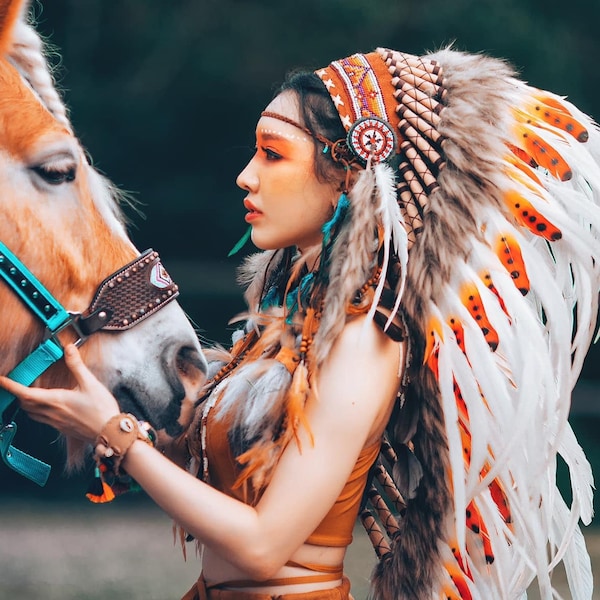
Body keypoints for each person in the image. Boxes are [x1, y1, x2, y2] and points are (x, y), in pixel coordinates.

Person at [1, 46, 600, 600]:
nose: (246, 176)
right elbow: (209, 469)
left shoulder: (368, 337)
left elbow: (263, 548)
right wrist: (115, 417)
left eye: (272, 153)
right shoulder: (290, 320)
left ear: (347, 175)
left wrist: (121, 437)